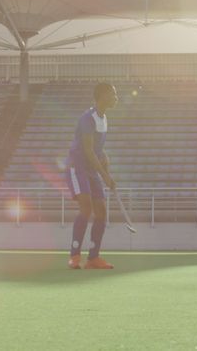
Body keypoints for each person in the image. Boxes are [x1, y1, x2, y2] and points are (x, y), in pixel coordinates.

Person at [66, 82, 119, 270]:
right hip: (77, 166)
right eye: (113, 93)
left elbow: (97, 150)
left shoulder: (104, 119)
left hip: (91, 168)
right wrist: (105, 176)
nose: (116, 97)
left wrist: (105, 158)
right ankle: (74, 255)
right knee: (86, 208)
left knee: (101, 212)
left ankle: (93, 258)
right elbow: (88, 151)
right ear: (102, 95)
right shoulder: (87, 118)